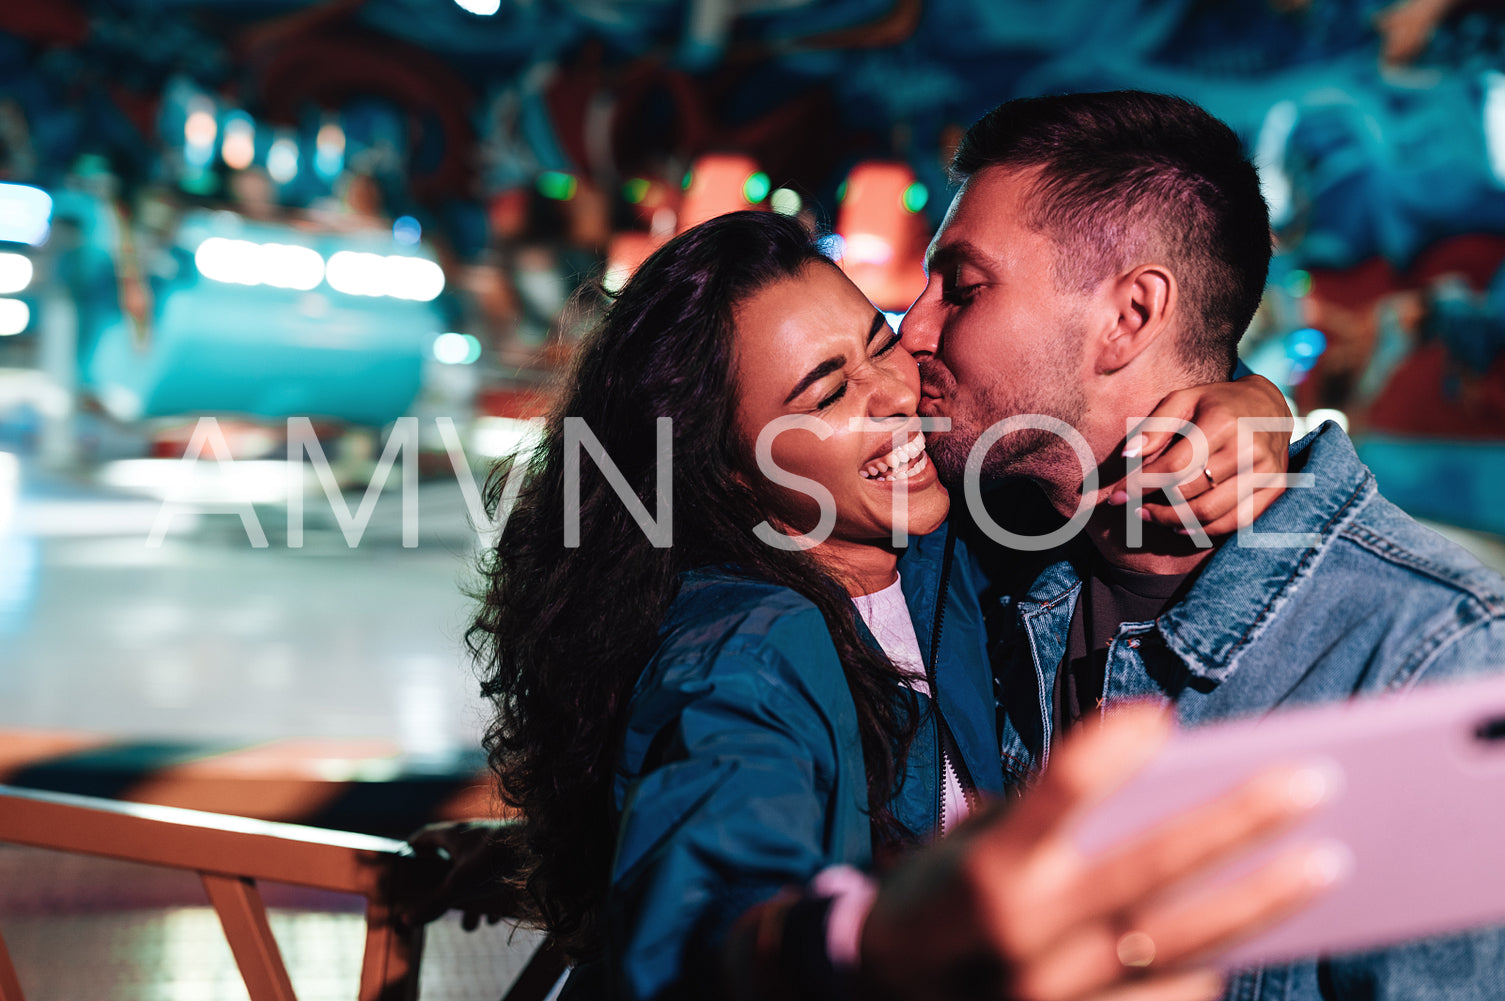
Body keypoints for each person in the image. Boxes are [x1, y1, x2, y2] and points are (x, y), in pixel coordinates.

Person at [460, 209, 1332, 1001]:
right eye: (828, 392)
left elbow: (1096, 395)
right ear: (730, 469)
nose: (895, 391)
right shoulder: (744, 646)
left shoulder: (931, 541)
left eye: (877, 344)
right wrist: (862, 943)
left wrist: (1250, 401)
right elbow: (703, 902)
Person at [890, 89, 1505, 1000]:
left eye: (964, 286)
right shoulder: (978, 535)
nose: (914, 326)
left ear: (1131, 314)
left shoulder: (1432, 653)